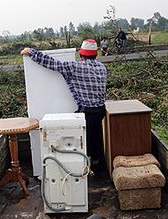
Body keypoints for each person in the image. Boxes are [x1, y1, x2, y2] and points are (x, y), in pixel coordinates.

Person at [21, 39, 108, 169]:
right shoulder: (102, 67)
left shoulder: (75, 67)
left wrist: (31, 52)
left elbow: (53, 64)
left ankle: (89, 169)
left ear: (81, 54)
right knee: (96, 138)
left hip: (87, 112)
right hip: (101, 110)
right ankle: (98, 165)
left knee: (86, 142)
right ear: (96, 54)